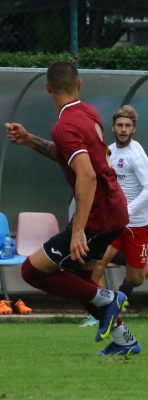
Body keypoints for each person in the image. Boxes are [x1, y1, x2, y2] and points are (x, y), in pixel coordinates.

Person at [4, 61, 139, 355]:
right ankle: (123, 340)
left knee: (32, 271)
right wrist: (29, 140)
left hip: (98, 217)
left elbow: (87, 175)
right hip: (113, 211)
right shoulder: (87, 113)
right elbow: (74, 158)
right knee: (79, 281)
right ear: (79, 85)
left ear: (47, 87)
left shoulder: (64, 126)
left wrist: (78, 230)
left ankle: (109, 297)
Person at [88, 105, 148, 319]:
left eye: (128, 126)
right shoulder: (108, 151)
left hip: (139, 224)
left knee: (136, 278)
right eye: (120, 125)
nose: (123, 129)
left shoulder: (136, 155)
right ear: (113, 127)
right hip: (117, 224)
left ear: (134, 129)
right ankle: (102, 312)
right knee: (96, 265)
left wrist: (126, 210)